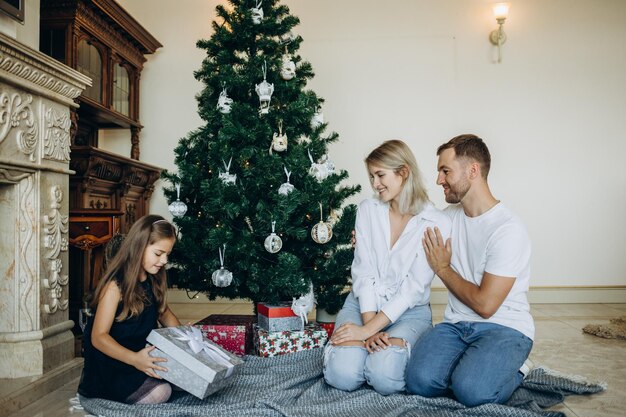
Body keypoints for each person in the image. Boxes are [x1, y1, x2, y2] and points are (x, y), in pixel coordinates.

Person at [405, 134, 534, 407]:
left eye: (445, 171)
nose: (439, 179)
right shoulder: (449, 218)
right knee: (419, 382)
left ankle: (519, 369)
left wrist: (443, 268)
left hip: (505, 328)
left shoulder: (507, 230)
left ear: (473, 170)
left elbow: (486, 305)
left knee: (473, 393)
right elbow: (403, 235)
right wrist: (368, 238)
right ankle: (469, 367)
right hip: (456, 325)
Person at [323, 139, 451, 395]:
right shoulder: (367, 210)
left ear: (403, 172)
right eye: (372, 177)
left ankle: (394, 353)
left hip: (410, 312)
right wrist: (368, 328)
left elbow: (413, 289)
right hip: (363, 304)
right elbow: (363, 272)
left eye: (380, 175)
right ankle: (351, 353)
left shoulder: (435, 222)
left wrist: (368, 331)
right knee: (343, 375)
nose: (375, 184)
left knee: (384, 376)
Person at [78, 214, 182, 404]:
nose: (164, 260)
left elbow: (165, 313)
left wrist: (185, 339)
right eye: (159, 254)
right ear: (139, 247)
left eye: (168, 254)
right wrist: (134, 359)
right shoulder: (115, 287)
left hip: (139, 353)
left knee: (183, 376)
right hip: (115, 362)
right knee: (162, 392)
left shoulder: (154, 278)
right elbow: (98, 337)